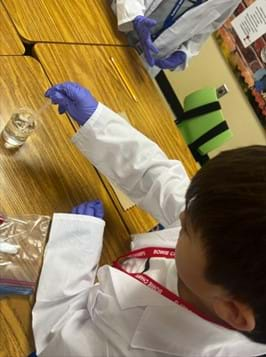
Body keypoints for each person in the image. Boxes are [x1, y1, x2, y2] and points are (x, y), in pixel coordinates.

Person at [32, 82, 266, 357]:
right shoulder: (226, 245)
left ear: (233, 310)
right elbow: (157, 177)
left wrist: (75, 249)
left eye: (187, 229)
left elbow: (55, 339)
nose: (181, 215)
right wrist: (97, 121)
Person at [111, 0, 241, 73]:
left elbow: (210, 25)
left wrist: (185, 53)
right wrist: (135, 17)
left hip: (144, 60)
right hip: (114, 23)